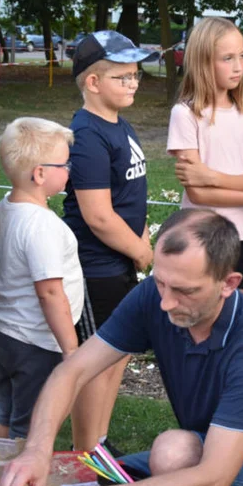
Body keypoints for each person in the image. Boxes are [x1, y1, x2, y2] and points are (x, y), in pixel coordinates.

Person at [0, 209, 243, 486]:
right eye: (160, 283)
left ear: (229, 283)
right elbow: (73, 371)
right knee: (84, 476)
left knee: (173, 454)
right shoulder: (152, 297)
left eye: (185, 291)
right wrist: (37, 451)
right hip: (207, 454)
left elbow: (210, 481)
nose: (166, 302)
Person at [63, 31, 158, 452]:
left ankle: (98, 443)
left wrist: (142, 235)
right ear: (93, 82)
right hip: (95, 268)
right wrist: (139, 249)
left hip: (119, 264)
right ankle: (86, 452)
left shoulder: (119, 122)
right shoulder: (87, 134)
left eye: (135, 75)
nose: (133, 83)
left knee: (116, 358)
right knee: (95, 365)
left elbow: (130, 193)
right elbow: (98, 215)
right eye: (122, 77)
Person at [0, 117, 86, 441]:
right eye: (64, 163)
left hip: (4, 332)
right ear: (40, 173)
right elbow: (49, 292)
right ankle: (20, 485)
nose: (69, 169)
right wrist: (71, 349)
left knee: (9, 412)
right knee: (32, 425)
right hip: (36, 343)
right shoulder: (41, 226)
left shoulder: (4, 209)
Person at [168, 17, 243, 291]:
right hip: (202, 234)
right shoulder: (185, 114)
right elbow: (199, 195)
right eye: (227, 58)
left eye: (242, 56)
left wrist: (209, 175)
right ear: (203, 61)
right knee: (200, 313)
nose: (239, 66)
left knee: (235, 314)